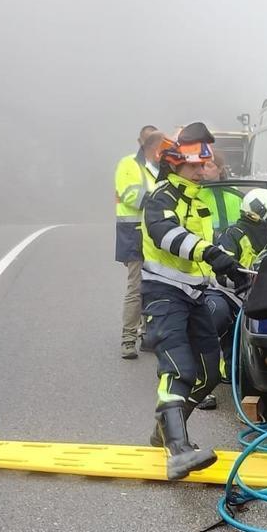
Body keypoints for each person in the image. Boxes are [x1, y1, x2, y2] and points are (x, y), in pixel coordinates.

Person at [139, 122, 250, 480]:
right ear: (176, 163)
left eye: (205, 165)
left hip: (195, 295)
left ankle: (163, 431)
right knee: (178, 369)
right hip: (163, 296)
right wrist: (211, 251)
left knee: (206, 373)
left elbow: (202, 256)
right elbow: (165, 234)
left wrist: (229, 272)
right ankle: (178, 451)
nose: (204, 171)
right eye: (197, 166)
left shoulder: (196, 200)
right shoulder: (161, 197)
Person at [196, 187, 267, 410]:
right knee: (216, 313)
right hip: (224, 295)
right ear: (259, 214)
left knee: (239, 366)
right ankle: (194, 378)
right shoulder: (233, 235)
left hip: (252, 298)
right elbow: (221, 273)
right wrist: (245, 282)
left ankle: (230, 370)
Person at [114, 126, 164, 359]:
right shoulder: (129, 164)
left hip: (154, 233)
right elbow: (130, 194)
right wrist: (161, 203)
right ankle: (128, 339)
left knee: (153, 285)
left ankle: (148, 335)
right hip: (133, 232)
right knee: (136, 287)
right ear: (141, 142)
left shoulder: (159, 165)